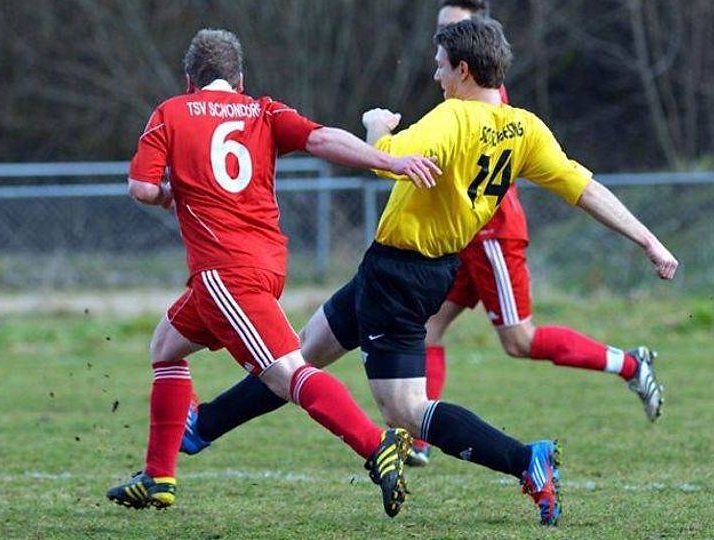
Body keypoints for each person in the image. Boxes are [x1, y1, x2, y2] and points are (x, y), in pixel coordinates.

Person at [180, 18, 679, 526]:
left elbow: (381, 161)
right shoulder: (525, 127)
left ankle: (525, 459)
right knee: (299, 355)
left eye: (441, 65)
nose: (436, 74)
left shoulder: (451, 119)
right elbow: (586, 189)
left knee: (404, 410)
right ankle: (202, 426)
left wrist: (378, 124)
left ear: (463, 70)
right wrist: (649, 240)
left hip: (400, 276)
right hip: (411, 269)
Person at [105, 28, 442, 518]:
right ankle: (158, 478)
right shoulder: (262, 110)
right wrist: (389, 160)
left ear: (189, 79)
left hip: (226, 272)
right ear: (239, 79)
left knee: (289, 373)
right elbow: (324, 139)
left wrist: (167, 195)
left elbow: (139, 187)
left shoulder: (172, 112)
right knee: (166, 347)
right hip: (259, 266)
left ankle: (376, 445)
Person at [402, 0, 666, 468]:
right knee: (427, 330)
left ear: (471, 50)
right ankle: (419, 435)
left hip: (491, 237)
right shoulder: (456, 96)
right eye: (439, 29)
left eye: (452, 28)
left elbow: (575, 184)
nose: (439, 40)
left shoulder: (488, 103)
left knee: (518, 341)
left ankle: (630, 363)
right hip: (464, 236)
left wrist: (380, 141)